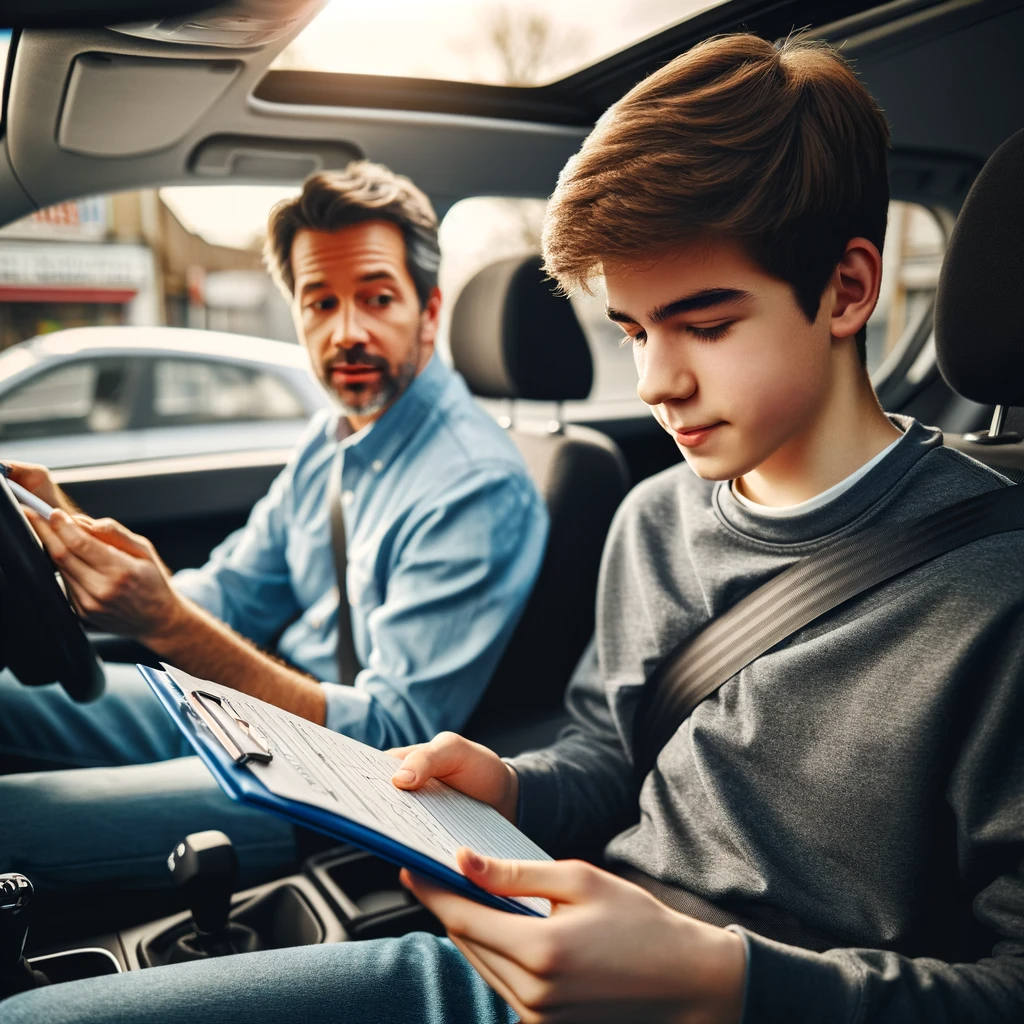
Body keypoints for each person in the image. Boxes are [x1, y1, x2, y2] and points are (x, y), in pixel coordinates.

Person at [5, 31, 1024, 1024]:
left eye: (706, 325)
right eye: (631, 329)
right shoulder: (656, 517)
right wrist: (510, 782)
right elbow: (608, 759)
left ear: (847, 289)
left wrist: (728, 985)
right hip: (538, 952)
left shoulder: (997, 591)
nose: (656, 382)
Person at [0, 162, 548, 890]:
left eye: (377, 298)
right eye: (320, 302)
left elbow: (389, 738)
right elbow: (230, 595)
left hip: (343, 787)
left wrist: (165, 622)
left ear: (429, 310)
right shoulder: (334, 439)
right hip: (254, 721)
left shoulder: (475, 483)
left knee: (13, 817)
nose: (346, 331)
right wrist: (82, 543)